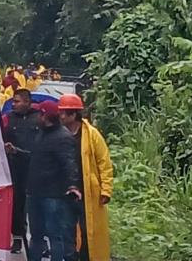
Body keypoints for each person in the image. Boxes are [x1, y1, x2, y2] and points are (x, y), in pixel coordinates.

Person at [59, 94, 113, 261]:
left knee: (88, 230)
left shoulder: (91, 135)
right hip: (65, 191)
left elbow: (104, 162)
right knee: (66, 231)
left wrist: (106, 190)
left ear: (73, 114)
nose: (60, 116)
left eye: (63, 113)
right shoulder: (58, 134)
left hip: (88, 191)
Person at [27, 101, 82, 261]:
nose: (37, 116)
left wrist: (72, 185)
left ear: (45, 116)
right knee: (36, 235)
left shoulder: (63, 137)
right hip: (35, 192)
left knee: (54, 235)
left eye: (40, 114)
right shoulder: (41, 133)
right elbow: (37, 156)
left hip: (52, 195)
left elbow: (70, 164)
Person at [2, 89, 42, 254]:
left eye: (17, 101)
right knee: (17, 205)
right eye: (13, 101)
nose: (14, 104)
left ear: (27, 102)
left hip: (36, 168)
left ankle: (39, 241)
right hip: (15, 168)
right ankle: (17, 238)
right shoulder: (8, 119)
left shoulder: (39, 118)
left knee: (37, 206)